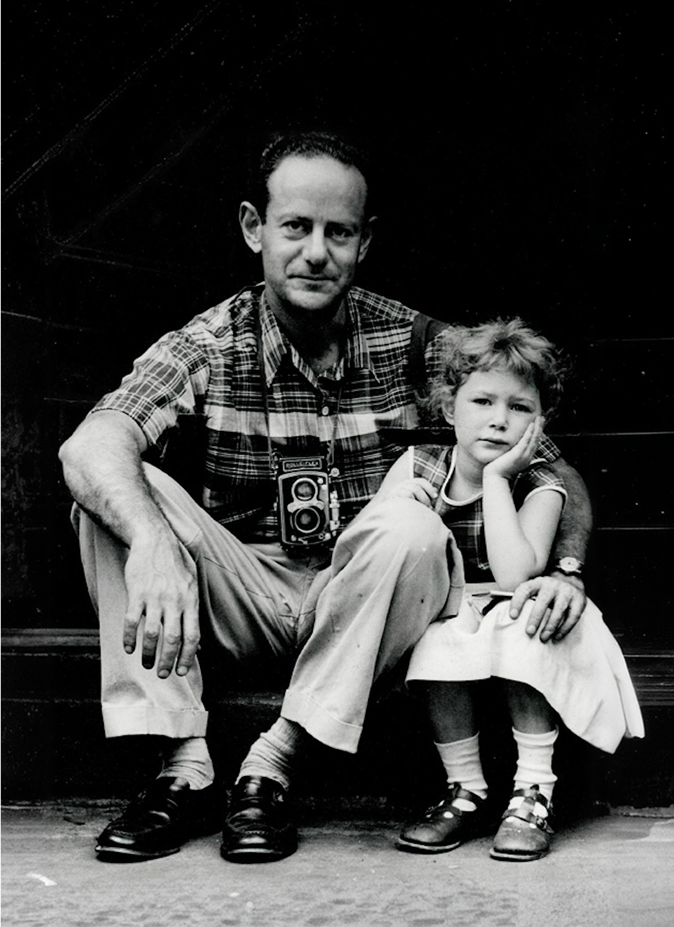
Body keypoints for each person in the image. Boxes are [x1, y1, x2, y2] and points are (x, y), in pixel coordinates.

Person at [58, 130, 593, 865]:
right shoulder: (213, 341)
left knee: (412, 525)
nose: (316, 251)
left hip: (361, 597)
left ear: (363, 241)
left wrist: (563, 570)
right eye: (295, 227)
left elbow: (554, 470)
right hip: (244, 590)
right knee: (115, 492)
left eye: (338, 232)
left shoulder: (415, 341)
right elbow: (89, 443)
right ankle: (182, 765)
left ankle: (273, 762)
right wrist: (154, 540)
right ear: (255, 229)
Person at [365, 318, 644, 861]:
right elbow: (371, 548)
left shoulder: (540, 483)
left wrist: (495, 480)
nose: (498, 420)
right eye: (482, 402)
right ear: (449, 410)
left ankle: (534, 790)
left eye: (519, 408)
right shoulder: (417, 465)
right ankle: (464, 788)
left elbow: (517, 574)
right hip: (449, 608)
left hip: (518, 605)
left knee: (524, 628)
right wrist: (400, 507)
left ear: (540, 422)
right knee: (439, 641)